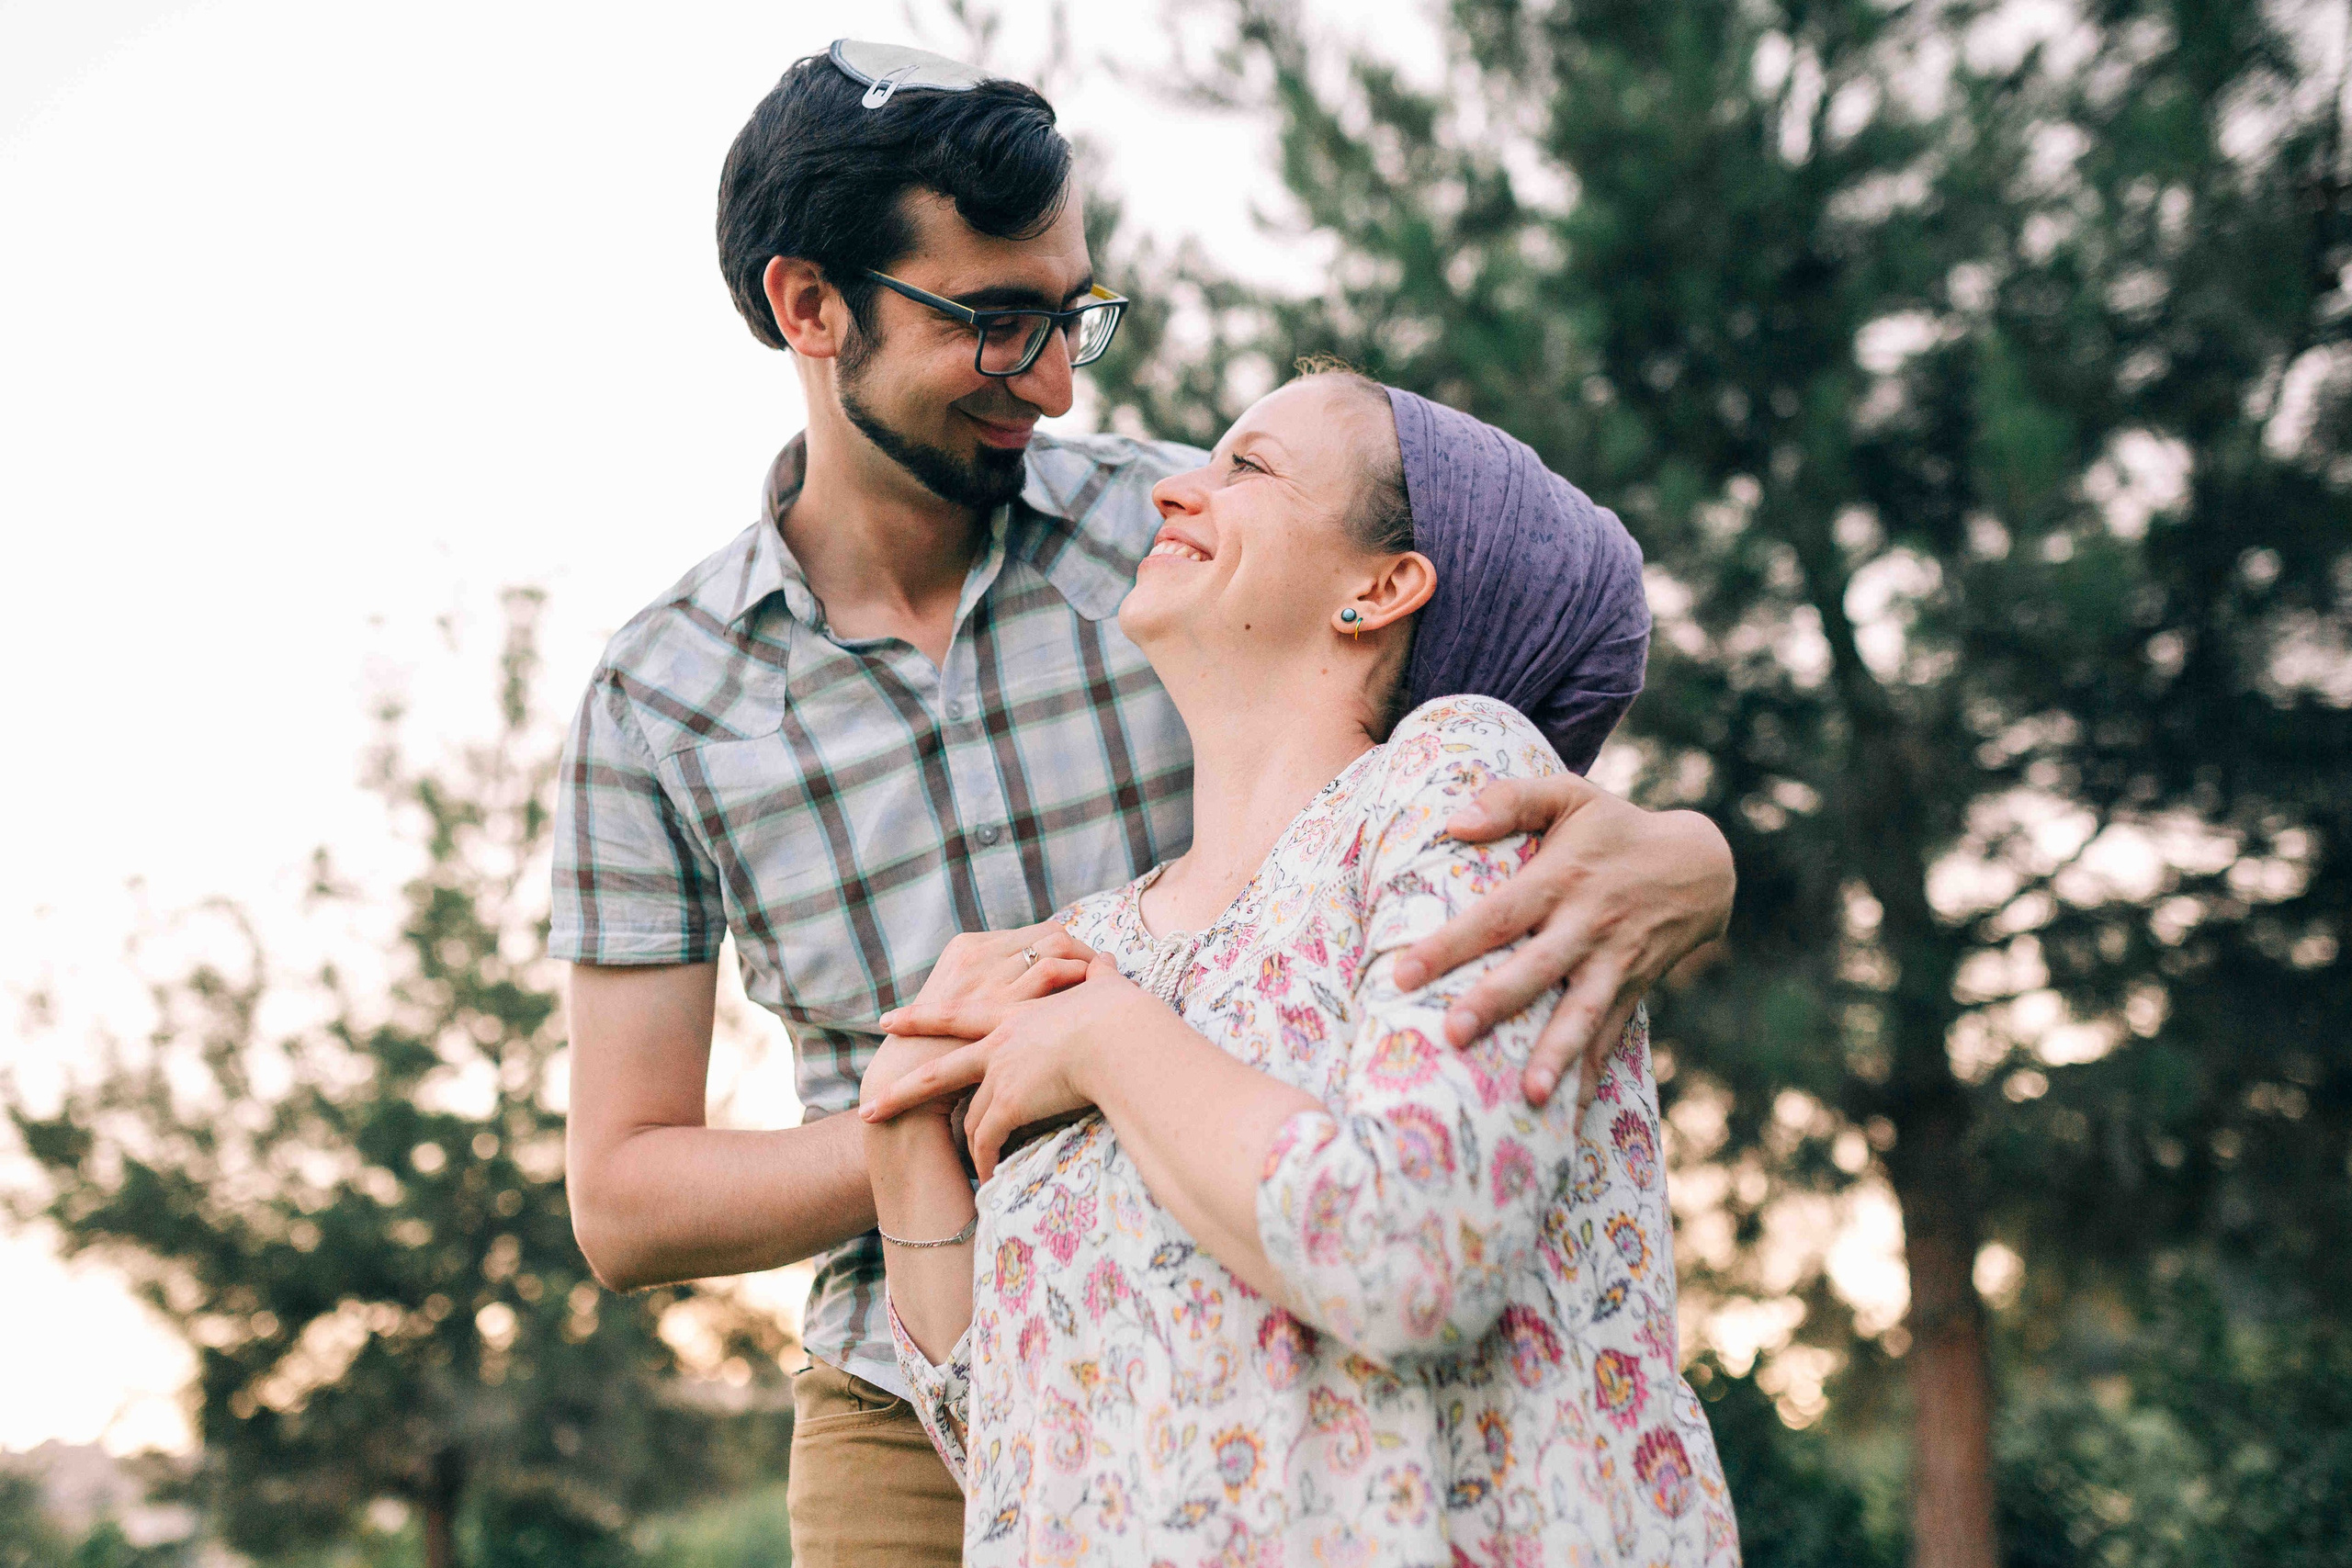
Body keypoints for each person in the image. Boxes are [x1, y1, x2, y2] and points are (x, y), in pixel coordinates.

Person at [554, 41, 1736, 1568]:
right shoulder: (660, 699)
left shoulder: (1186, 534)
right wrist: (963, 1105)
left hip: (1295, 1303)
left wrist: (1691, 853)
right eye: (998, 324)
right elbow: (626, 1199)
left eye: (1072, 316)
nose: (1055, 383)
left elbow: (1493, 659)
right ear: (811, 306)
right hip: (920, 1371)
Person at [858, 368, 1739, 1565]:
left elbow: (1413, 1253)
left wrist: (1112, 1042)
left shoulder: (1463, 792)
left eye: (1249, 468)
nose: (1175, 489)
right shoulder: (1085, 948)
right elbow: (1022, 1447)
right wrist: (903, 1131)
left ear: (1382, 588)